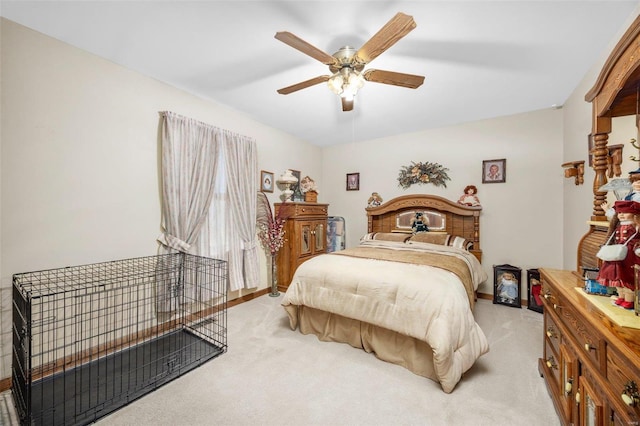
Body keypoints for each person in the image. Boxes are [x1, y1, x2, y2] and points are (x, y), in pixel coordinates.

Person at [596, 200, 640, 309]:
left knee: (627, 277)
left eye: (625, 213)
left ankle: (629, 300)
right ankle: (621, 297)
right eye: (619, 213)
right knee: (617, 277)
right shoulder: (618, 226)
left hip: (630, 256)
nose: (621, 215)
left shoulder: (636, 226)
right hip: (617, 256)